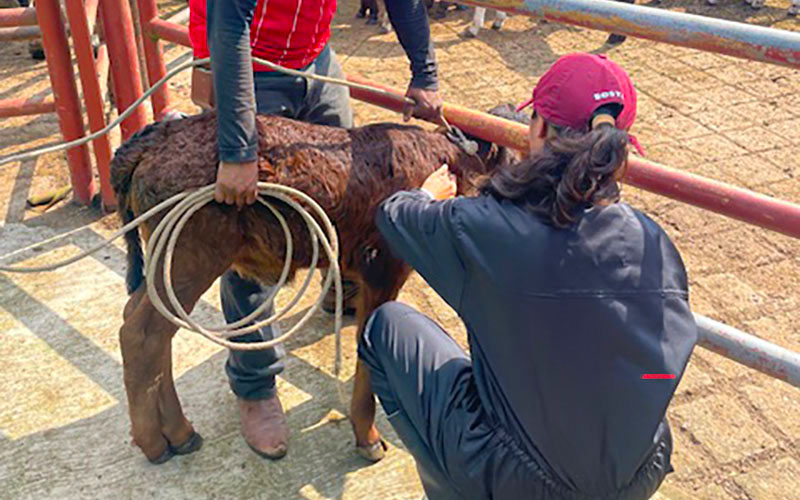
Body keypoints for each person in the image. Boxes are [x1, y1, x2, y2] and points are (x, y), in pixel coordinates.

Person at [358, 53, 697, 499]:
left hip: (518, 479)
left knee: (388, 325)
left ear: (536, 129)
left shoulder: (482, 226)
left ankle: (453, 486)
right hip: (637, 469)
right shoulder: (654, 242)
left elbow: (395, 216)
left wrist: (428, 195)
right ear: (620, 148)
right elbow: (661, 368)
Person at [193, 0, 444, 460]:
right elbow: (228, 19)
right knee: (253, 232)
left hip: (315, 56)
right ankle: (254, 383)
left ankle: (340, 290)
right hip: (253, 62)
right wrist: (237, 147)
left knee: (347, 199)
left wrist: (424, 72)